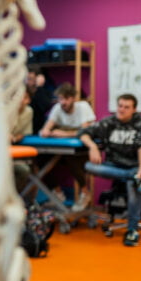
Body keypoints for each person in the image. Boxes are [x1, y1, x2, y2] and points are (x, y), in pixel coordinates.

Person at [78, 94, 141, 247]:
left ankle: (132, 230)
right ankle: (132, 176)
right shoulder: (109, 122)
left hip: (137, 165)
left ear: (134, 110)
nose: (122, 110)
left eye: (126, 107)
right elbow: (83, 133)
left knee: (132, 185)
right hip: (115, 166)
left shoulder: (140, 122)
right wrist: (92, 147)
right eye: (120, 106)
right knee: (88, 166)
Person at [38, 82, 96, 211]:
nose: (62, 102)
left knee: (72, 158)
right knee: (41, 158)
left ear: (73, 98)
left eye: (66, 99)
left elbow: (85, 131)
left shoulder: (83, 107)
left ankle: (85, 193)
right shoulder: (58, 108)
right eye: (60, 98)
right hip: (63, 148)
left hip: (83, 148)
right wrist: (46, 131)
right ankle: (57, 192)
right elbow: (46, 128)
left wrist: (63, 133)